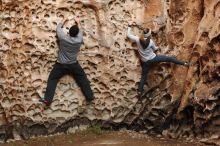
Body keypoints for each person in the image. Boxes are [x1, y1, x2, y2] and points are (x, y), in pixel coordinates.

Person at [40, 18, 94, 106]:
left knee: (52, 79)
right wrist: (78, 22)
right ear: (77, 34)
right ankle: (90, 96)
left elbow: (58, 28)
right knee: (83, 79)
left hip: (60, 65)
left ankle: (47, 99)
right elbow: (80, 30)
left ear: (68, 31)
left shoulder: (63, 38)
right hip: (73, 65)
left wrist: (64, 20)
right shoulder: (79, 39)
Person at [127, 25, 189, 97]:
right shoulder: (150, 42)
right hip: (154, 58)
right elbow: (155, 49)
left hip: (145, 62)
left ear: (143, 34)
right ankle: (184, 63)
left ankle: (139, 92)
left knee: (143, 77)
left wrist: (129, 27)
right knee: (169, 59)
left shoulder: (137, 39)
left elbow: (129, 35)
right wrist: (157, 47)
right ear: (149, 35)